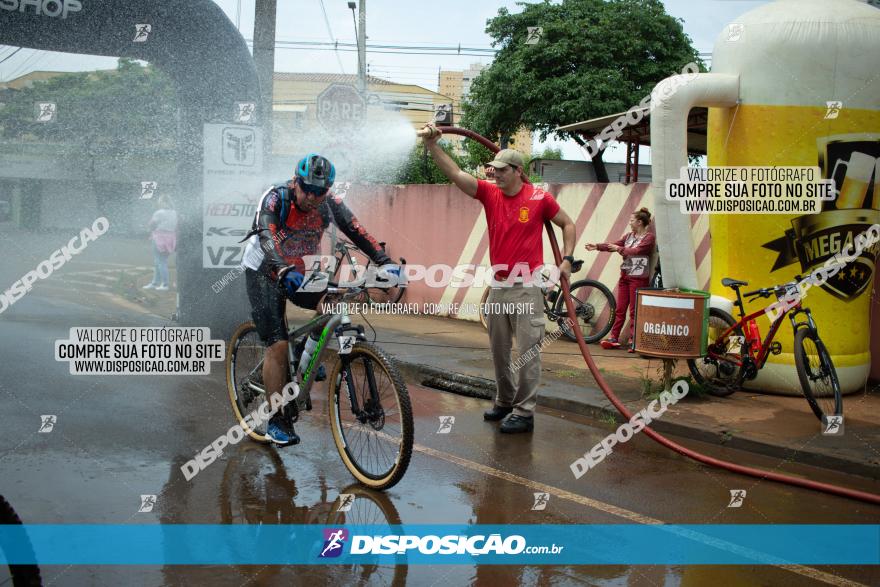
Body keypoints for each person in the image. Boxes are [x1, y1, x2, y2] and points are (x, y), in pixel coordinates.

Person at [422, 125, 577, 434]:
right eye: (494, 170)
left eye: (502, 171)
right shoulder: (490, 193)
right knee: (499, 350)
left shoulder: (539, 198)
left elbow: (567, 224)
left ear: (518, 171)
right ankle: (505, 401)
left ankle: (525, 411)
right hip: (499, 287)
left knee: (528, 352)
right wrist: (432, 146)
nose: (495, 175)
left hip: (527, 288)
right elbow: (456, 174)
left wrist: (567, 260)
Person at [241, 154, 400, 446]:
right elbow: (266, 234)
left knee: (330, 305)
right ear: (295, 181)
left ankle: (306, 352)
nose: (313, 197)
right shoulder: (276, 198)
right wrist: (280, 267)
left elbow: (357, 230)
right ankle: (277, 420)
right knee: (277, 344)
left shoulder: (329, 203)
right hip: (265, 269)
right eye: (308, 189)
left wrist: (384, 261)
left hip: (301, 268)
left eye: (320, 191)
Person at [585, 207, 656, 352]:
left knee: (634, 311)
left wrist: (619, 249)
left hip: (638, 278)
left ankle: (633, 341)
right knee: (620, 309)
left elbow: (637, 252)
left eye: (632, 220)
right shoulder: (629, 236)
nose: (630, 223)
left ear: (640, 222)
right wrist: (597, 246)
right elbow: (615, 244)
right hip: (625, 276)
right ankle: (614, 338)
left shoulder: (649, 238)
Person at [143, 195, 177, 291]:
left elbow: (151, 224)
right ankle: (155, 283)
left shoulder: (159, 213)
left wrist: (149, 229)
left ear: (162, 202)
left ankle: (165, 284)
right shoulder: (174, 213)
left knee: (160, 261)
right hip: (171, 238)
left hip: (159, 237)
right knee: (159, 261)